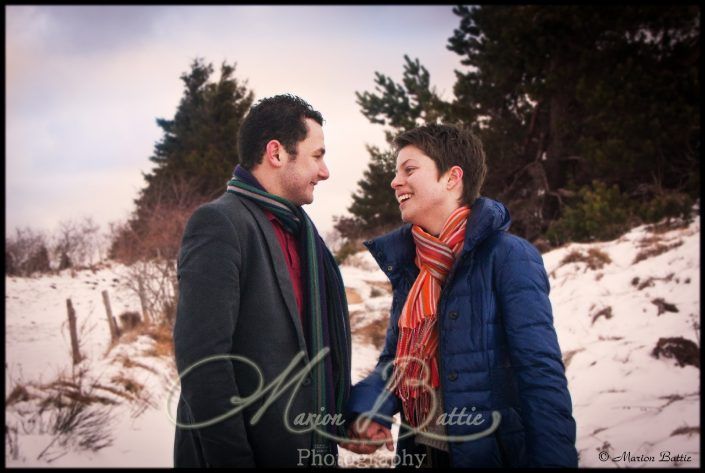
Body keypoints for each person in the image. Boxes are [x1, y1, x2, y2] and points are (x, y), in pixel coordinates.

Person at [341, 123, 578, 467]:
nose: (395, 182)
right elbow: (399, 364)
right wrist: (367, 410)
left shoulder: (508, 256)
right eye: (395, 172)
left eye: (409, 170)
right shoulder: (414, 266)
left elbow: (540, 373)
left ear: (452, 178)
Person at [172, 94, 351, 467]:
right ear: (276, 153)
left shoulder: (305, 235)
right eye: (316, 156)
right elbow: (203, 365)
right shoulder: (220, 224)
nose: (325, 171)